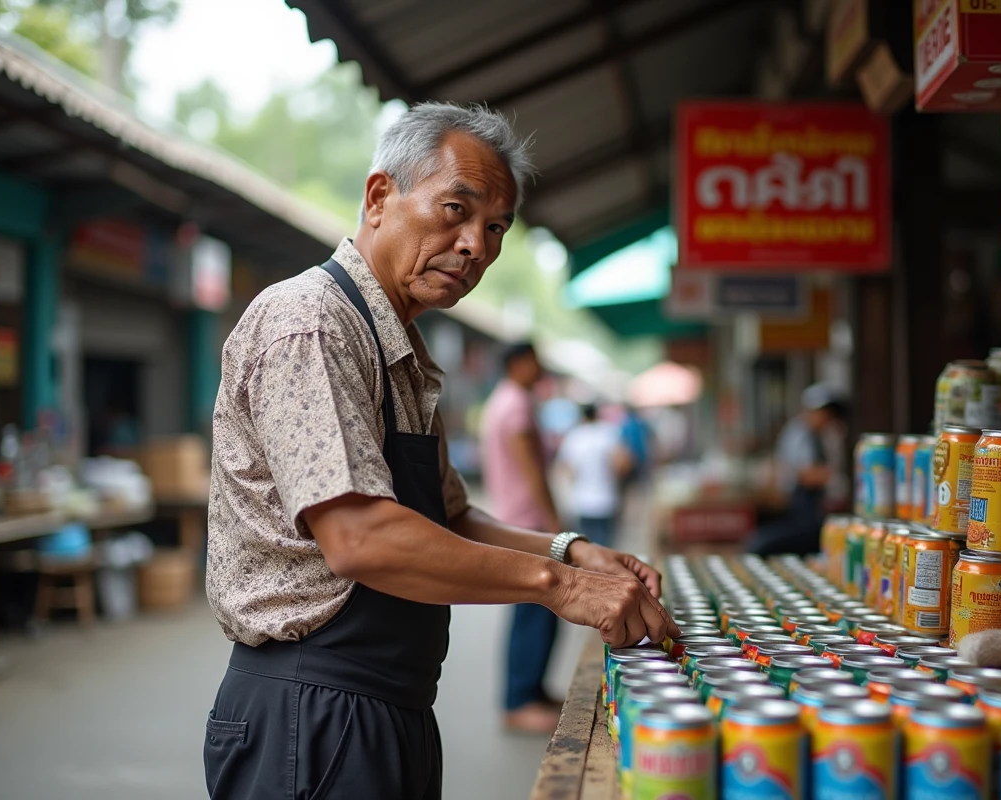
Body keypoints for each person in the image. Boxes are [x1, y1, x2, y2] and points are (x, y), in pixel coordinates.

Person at [203, 102, 675, 800]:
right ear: (378, 197)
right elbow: (361, 537)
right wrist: (564, 588)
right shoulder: (312, 323)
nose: (475, 246)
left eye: (494, 229)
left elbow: (448, 517)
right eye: (454, 209)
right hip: (312, 710)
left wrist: (569, 550)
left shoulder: (404, 352)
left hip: (386, 706)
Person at [480, 342, 565, 733]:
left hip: (518, 520)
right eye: (535, 360)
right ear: (518, 363)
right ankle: (519, 700)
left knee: (539, 612)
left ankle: (531, 690)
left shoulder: (504, 400)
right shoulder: (516, 405)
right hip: (528, 524)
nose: (541, 367)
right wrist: (556, 526)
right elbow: (533, 472)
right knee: (532, 613)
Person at [746, 383, 849, 557]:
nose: (828, 418)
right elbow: (805, 474)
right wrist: (833, 478)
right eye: (825, 413)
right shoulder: (800, 434)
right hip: (799, 502)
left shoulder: (826, 435)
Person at [557, 403, 630, 548]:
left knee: (586, 547)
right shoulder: (608, 433)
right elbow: (624, 462)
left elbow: (567, 467)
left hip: (582, 501)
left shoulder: (574, 436)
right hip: (607, 499)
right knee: (607, 547)